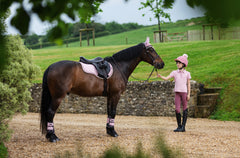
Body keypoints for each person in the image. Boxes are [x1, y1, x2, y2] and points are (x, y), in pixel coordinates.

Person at [157, 54, 191, 132]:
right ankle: (179, 126)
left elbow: (188, 84)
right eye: (177, 63)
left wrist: (189, 94)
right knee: (177, 109)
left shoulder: (187, 73)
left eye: (179, 63)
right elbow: (167, 78)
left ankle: (183, 127)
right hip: (177, 93)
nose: (177, 64)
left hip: (184, 93)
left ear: (183, 64)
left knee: (185, 108)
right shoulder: (174, 72)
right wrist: (161, 76)